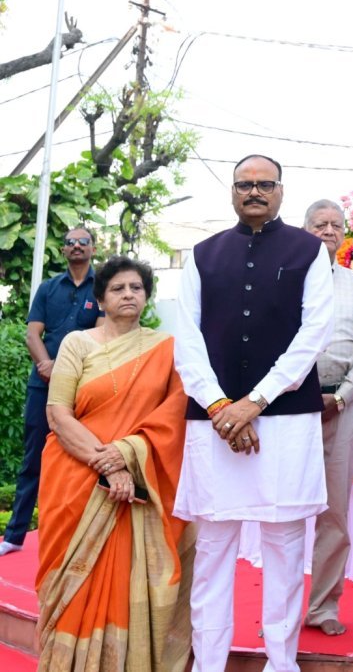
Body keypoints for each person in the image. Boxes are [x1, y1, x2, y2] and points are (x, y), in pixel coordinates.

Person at [173, 154, 334, 672]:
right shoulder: (202, 254)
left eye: (265, 184)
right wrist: (222, 407)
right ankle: (208, 664)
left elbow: (314, 335)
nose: (255, 191)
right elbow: (187, 340)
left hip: (284, 422)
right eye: (245, 184)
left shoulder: (309, 251)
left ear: (281, 191)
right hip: (213, 421)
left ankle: (281, 663)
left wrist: (254, 402)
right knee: (213, 552)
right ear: (232, 192)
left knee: (285, 551)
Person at [36, 256, 193, 671]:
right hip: (76, 476)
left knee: (127, 580)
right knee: (73, 584)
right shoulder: (77, 343)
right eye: (118, 289)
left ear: (146, 297)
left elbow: (175, 416)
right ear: (101, 299)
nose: (128, 294)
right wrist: (109, 465)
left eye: (136, 288)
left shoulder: (165, 348)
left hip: (138, 483)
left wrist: (127, 453)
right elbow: (58, 414)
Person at [0, 227, 101, 558]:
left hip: (84, 385)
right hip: (42, 385)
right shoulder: (47, 288)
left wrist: (65, 370)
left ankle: (81, 535)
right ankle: (15, 534)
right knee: (34, 456)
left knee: (85, 455)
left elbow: (102, 335)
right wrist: (47, 366)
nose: (75, 246)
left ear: (93, 248)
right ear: (63, 250)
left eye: (82, 242)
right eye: (70, 242)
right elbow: (33, 335)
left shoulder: (102, 286)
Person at [301, 198, 353, 638]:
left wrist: (342, 398)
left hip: (340, 407)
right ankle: (282, 611)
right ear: (303, 231)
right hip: (290, 407)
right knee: (284, 515)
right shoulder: (284, 280)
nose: (328, 230)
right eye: (319, 224)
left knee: (335, 514)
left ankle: (323, 607)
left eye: (336, 224)